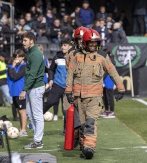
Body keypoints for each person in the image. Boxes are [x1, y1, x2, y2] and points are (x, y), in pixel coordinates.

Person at [65, 29, 125, 159]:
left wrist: (121, 88)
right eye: (90, 43)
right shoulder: (76, 56)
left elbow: (113, 72)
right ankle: (83, 145)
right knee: (81, 124)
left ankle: (89, 148)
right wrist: (68, 91)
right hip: (78, 97)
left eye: (95, 43)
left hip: (94, 98)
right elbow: (70, 75)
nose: (93, 45)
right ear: (85, 43)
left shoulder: (102, 56)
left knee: (90, 122)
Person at [19, 32, 45, 149]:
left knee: (37, 115)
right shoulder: (31, 53)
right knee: (30, 114)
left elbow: (33, 74)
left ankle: (38, 141)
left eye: (25, 40)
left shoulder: (36, 54)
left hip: (36, 88)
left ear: (31, 41)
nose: (23, 43)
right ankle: (36, 139)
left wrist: (24, 90)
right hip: (32, 88)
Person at [43, 37, 72, 118]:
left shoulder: (75, 57)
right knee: (50, 102)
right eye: (62, 45)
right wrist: (51, 79)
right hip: (58, 84)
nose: (62, 47)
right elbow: (51, 70)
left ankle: (66, 130)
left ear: (70, 47)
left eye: (65, 45)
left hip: (69, 87)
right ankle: (36, 117)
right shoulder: (57, 56)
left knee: (66, 110)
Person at [7, 49, 28, 137]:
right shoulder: (13, 66)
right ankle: (21, 128)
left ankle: (24, 130)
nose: (16, 58)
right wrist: (12, 67)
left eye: (18, 57)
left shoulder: (24, 66)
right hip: (14, 92)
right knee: (19, 111)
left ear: (23, 58)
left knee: (22, 111)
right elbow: (11, 76)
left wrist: (12, 67)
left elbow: (15, 77)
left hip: (20, 91)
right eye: (15, 57)